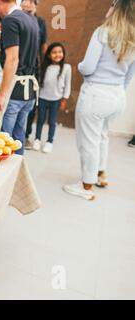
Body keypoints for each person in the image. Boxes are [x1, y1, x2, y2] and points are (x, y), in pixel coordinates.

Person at [63, 0, 135, 200]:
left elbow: (87, 67)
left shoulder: (102, 33)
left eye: (112, 4)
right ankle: (101, 174)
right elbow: (129, 75)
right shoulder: (133, 38)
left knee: (89, 142)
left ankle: (86, 186)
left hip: (96, 94)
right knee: (102, 136)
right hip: (118, 96)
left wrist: (79, 66)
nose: (109, 7)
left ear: (117, 9)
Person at [0, 0, 40, 155]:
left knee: (2, 141)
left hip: (14, 92)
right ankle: (18, 175)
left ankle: (3, 178)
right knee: (18, 139)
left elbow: (13, 59)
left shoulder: (11, 20)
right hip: (29, 92)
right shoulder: (31, 19)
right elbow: (26, 52)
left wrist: (1, 95)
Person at [32, 42, 71, 153]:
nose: (57, 54)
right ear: (49, 55)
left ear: (63, 54)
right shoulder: (45, 67)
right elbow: (39, 83)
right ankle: (37, 139)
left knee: (52, 121)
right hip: (43, 98)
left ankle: (49, 142)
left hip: (56, 99)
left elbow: (67, 85)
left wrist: (64, 99)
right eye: (54, 52)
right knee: (40, 120)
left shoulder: (66, 68)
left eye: (59, 52)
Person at [21, 0, 48, 150]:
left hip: (34, 67)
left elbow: (43, 46)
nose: (27, 5)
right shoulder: (16, 18)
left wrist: (42, 68)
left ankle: (26, 135)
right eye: (25, 2)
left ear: (35, 6)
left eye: (31, 3)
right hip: (17, 67)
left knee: (31, 103)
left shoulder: (40, 22)